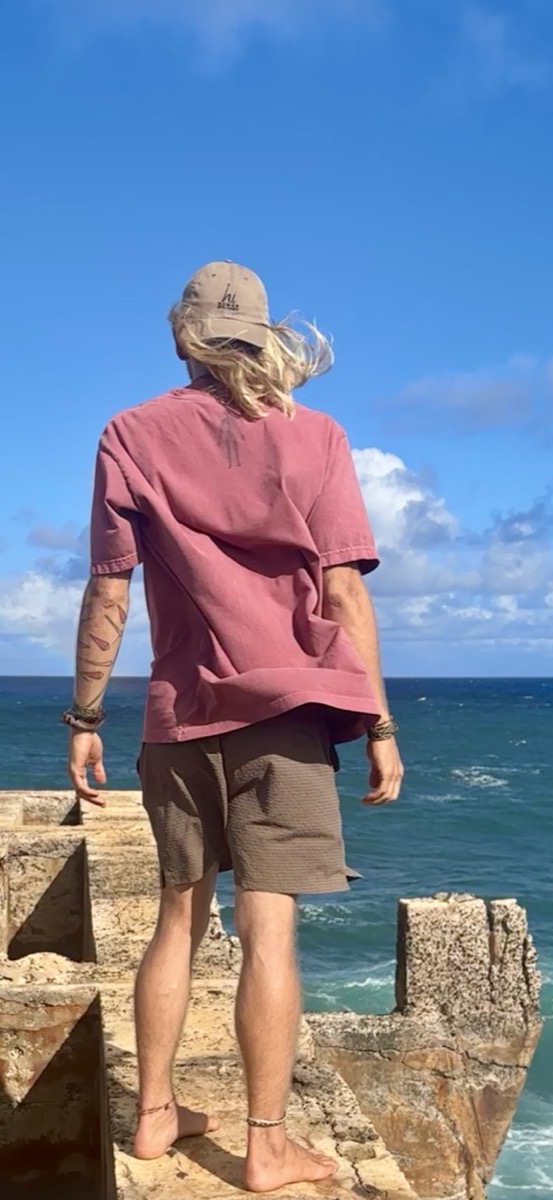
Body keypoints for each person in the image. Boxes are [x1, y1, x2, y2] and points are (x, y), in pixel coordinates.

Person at [62, 261, 404, 1192]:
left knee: (176, 920)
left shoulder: (128, 433)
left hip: (176, 718)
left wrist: (87, 713)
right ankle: (264, 1143)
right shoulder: (318, 438)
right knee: (269, 933)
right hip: (288, 714)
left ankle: (153, 1120)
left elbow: (107, 589)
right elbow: (342, 595)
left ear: (187, 336)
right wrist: (376, 723)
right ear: (261, 336)